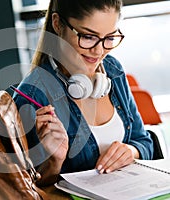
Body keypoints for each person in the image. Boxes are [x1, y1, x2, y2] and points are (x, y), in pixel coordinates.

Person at [13, 0, 153, 186]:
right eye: (88, 37)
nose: (98, 51)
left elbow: (144, 141)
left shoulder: (112, 69)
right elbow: (27, 189)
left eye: (109, 38)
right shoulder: (32, 95)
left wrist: (130, 151)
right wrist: (54, 162)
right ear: (57, 24)